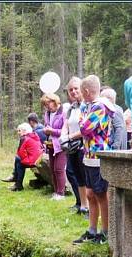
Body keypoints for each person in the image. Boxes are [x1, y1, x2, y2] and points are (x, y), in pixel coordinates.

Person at [72, 75, 112, 245]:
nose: (79, 95)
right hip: (88, 156)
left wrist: (82, 118)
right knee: (89, 194)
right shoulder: (87, 106)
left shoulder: (100, 107)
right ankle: (91, 230)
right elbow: (83, 125)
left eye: (81, 92)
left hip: (98, 156)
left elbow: (84, 128)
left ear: (87, 91)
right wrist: (83, 115)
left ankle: (105, 232)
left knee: (101, 194)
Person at [59, 77, 88, 214]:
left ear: (82, 88)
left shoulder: (88, 105)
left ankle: (89, 207)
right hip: (72, 147)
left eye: (76, 88)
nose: (73, 91)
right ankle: (82, 205)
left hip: (84, 146)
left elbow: (86, 128)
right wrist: (63, 136)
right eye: (71, 90)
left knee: (85, 176)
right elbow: (66, 124)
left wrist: (70, 136)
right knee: (77, 177)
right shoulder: (71, 108)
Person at [40, 94, 67, 200]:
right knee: (52, 169)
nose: (48, 107)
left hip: (61, 145)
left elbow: (65, 131)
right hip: (51, 144)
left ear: (55, 101)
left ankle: (61, 193)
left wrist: (52, 131)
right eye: (45, 105)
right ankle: (56, 192)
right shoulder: (47, 114)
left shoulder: (63, 112)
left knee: (59, 169)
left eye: (49, 103)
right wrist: (45, 131)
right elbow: (47, 126)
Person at [7, 123, 43, 191]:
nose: (18, 133)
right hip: (38, 159)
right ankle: (17, 182)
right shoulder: (34, 135)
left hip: (33, 161)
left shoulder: (24, 138)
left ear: (25, 130)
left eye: (19, 131)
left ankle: (17, 183)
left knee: (19, 161)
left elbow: (20, 152)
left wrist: (21, 158)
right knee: (18, 160)